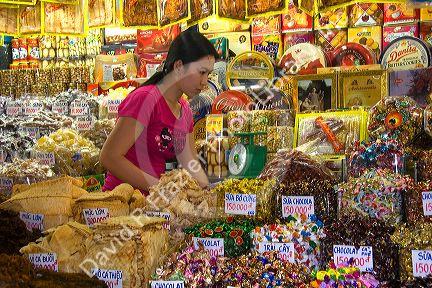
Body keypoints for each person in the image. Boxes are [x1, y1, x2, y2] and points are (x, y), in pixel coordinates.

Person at [100, 29, 219, 195]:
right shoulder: (145, 100)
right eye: (201, 72)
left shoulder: (184, 110)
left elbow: (190, 163)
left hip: (155, 205)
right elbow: (109, 157)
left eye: (209, 74)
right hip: (121, 203)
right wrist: (160, 188)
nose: (205, 82)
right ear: (178, 66)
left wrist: (208, 191)